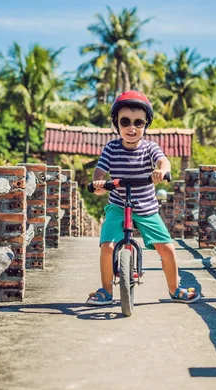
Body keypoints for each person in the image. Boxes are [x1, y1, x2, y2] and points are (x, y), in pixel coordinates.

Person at [86, 90, 201, 306]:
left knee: (167, 248)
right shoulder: (111, 148)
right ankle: (106, 290)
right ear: (116, 123)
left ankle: (175, 288)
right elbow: (100, 171)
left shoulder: (150, 147)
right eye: (125, 122)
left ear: (145, 125)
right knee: (107, 246)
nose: (132, 128)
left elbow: (163, 161)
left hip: (147, 207)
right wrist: (99, 183)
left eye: (138, 123)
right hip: (118, 205)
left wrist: (161, 171)